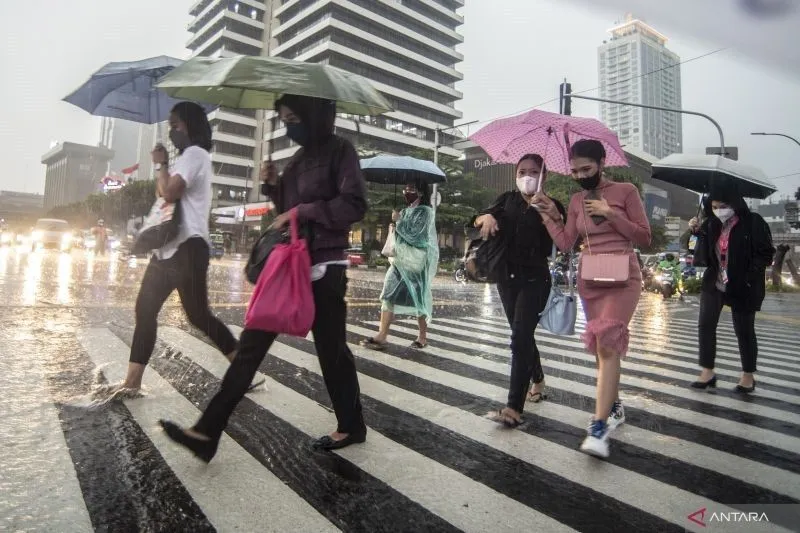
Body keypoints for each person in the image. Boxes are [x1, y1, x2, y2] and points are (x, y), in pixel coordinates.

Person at [160, 94, 368, 462]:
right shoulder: (298, 159)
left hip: (325, 269)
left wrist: (303, 209)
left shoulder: (341, 151)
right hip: (289, 266)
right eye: (284, 120)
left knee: (332, 352)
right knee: (251, 346)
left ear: (313, 115)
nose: (289, 126)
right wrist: (274, 187)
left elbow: (354, 205)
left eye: (294, 118)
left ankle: (351, 424)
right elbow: (284, 213)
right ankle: (206, 433)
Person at [105, 102, 244, 397]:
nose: (172, 131)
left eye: (176, 125)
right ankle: (132, 382)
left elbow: (169, 192)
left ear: (191, 125)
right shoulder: (185, 159)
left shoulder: (195, 154)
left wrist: (161, 164)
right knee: (145, 309)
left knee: (198, 316)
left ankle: (243, 370)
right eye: (169, 125)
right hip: (167, 248)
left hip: (188, 248)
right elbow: (162, 192)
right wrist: (162, 166)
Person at [532, 139, 651, 458]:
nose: (580, 175)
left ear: (601, 164)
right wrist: (548, 216)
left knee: (608, 345)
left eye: (586, 169)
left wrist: (610, 213)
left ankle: (599, 428)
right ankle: (613, 406)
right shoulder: (575, 199)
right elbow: (568, 241)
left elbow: (644, 236)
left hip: (623, 274)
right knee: (602, 351)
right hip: (591, 277)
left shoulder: (626, 191)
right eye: (574, 171)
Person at [473, 154, 566, 427]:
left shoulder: (552, 205)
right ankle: (537, 378)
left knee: (521, 336)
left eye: (534, 171)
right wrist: (486, 217)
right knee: (520, 333)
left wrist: (554, 217)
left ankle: (514, 407)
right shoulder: (507, 200)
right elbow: (475, 219)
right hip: (506, 277)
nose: (527, 175)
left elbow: (564, 244)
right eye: (522, 171)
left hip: (535, 279)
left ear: (544, 176)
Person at [688, 188, 774, 393]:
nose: (719, 211)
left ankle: (748, 375)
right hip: (714, 282)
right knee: (705, 326)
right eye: (714, 207)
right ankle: (707, 372)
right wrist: (694, 233)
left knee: (743, 330)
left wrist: (750, 272)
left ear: (735, 204)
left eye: (723, 206)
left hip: (743, 284)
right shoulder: (710, 224)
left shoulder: (753, 222)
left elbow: (766, 253)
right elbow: (697, 254)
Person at [361, 181, 438, 350]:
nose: (407, 192)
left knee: (418, 298)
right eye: (406, 188)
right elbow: (402, 235)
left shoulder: (425, 212)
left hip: (415, 263)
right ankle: (382, 335)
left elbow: (417, 237)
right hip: (398, 261)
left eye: (412, 189)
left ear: (421, 192)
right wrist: (394, 226)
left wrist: (400, 222)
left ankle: (422, 336)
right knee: (387, 294)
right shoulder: (404, 210)